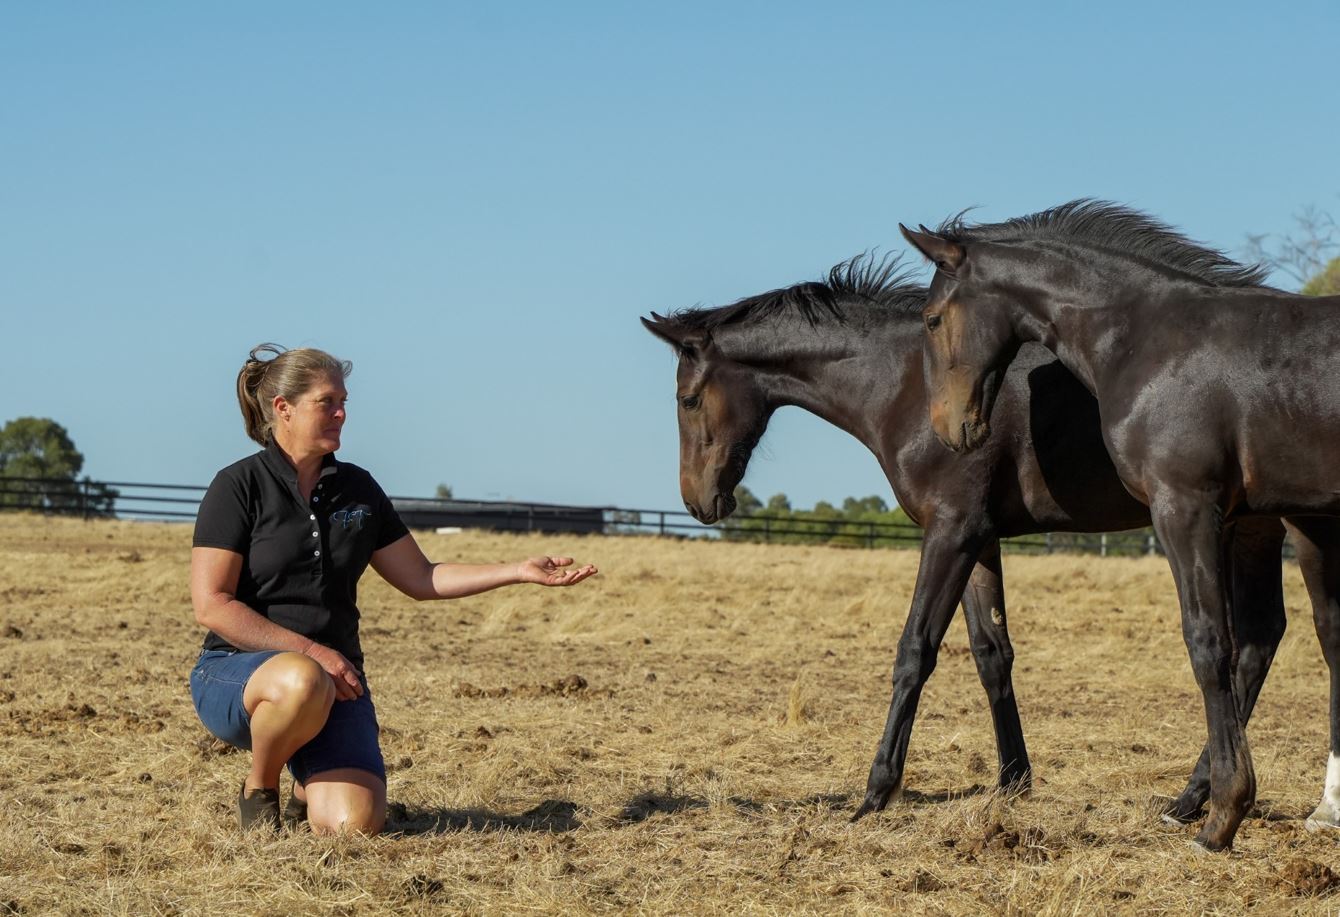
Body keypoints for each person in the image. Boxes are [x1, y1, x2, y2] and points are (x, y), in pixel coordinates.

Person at [188, 343, 598, 835]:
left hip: (339, 683)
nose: (342, 412)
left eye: (344, 400)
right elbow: (212, 605)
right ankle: (261, 788)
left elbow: (421, 578)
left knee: (353, 824)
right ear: (283, 409)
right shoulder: (237, 486)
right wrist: (312, 652)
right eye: (327, 401)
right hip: (239, 676)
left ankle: (306, 787)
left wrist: (517, 570)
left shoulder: (358, 489)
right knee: (300, 678)